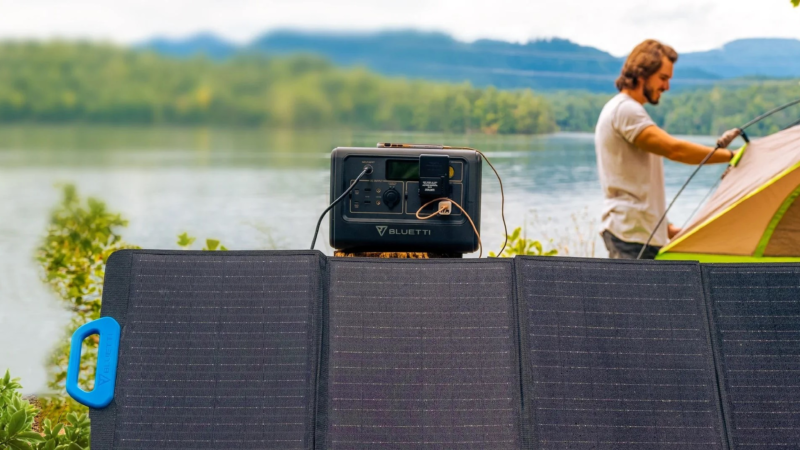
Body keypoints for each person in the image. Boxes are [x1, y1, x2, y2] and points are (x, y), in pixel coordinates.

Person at [595, 39, 741, 259]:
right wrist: (734, 156)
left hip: (637, 234)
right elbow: (675, 150)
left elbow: (635, 185)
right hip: (630, 238)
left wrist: (666, 227)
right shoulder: (626, 110)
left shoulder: (626, 109)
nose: (666, 86)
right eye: (663, 78)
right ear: (641, 73)